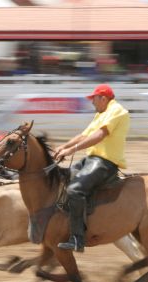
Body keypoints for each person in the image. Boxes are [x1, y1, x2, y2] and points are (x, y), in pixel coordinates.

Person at [53, 84, 130, 252]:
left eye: (93, 99)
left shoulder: (116, 110)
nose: (92, 103)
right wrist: (63, 146)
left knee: (74, 190)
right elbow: (84, 135)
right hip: (92, 159)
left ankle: (77, 239)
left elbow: (99, 135)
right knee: (63, 179)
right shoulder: (101, 114)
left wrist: (71, 150)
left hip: (105, 162)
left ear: (103, 98)